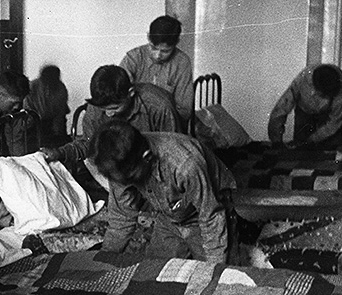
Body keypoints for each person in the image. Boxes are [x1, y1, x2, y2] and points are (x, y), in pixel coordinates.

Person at [89, 120, 234, 264]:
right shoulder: (117, 161)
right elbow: (121, 216)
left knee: (219, 275)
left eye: (130, 178)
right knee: (153, 272)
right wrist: (104, 259)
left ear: (147, 158)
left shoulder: (184, 164)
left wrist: (214, 268)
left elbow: (211, 217)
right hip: (170, 216)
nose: (125, 185)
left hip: (211, 209)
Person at [43, 65, 180, 166]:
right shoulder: (96, 107)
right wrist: (60, 153)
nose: (108, 114)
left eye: (115, 108)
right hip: (116, 166)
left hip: (153, 164)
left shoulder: (159, 106)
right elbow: (88, 144)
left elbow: (173, 151)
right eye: (104, 109)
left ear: (131, 93)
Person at [119, 15, 194, 126]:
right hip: (134, 123)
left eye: (165, 51)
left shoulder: (182, 63)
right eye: (153, 48)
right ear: (148, 37)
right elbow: (119, 95)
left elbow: (184, 110)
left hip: (168, 124)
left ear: (176, 43)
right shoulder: (134, 57)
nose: (158, 55)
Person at [268, 63, 342, 148]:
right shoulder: (303, 78)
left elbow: (334, 122)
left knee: (333, 150)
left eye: (320, 95)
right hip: (304, 112)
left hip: (327, 116)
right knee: (299, 151)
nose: (313, 94)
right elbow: (281, 108)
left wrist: (312, 140)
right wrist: (276, 140)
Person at [23, 64, 70, 147]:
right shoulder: (32, 87)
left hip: (53, 123)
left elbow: (60, 114)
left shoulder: (61, 88)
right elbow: (27, 109)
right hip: (33, 124)